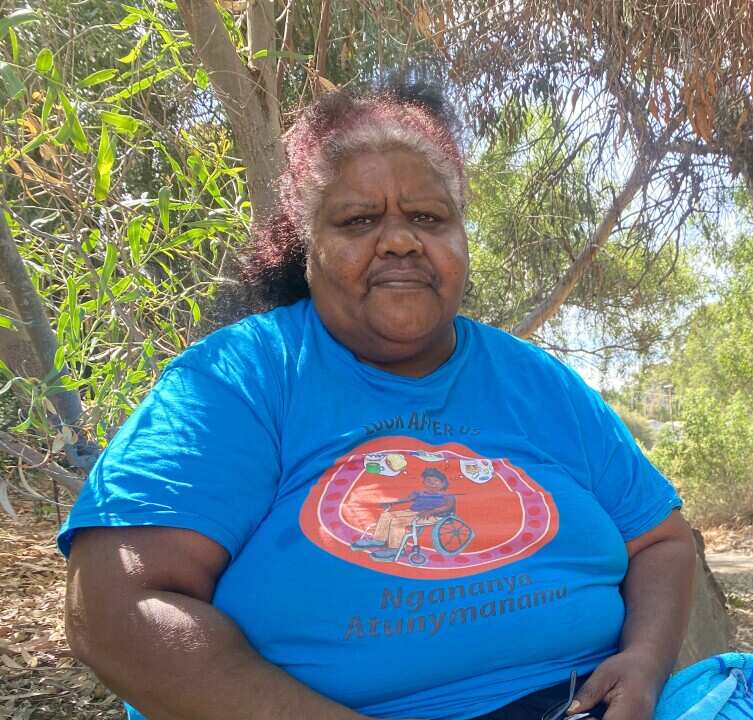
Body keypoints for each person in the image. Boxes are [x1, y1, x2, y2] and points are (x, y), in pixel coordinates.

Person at [60, 84, 696, 720]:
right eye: (359, 221)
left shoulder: (538, 382)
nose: (400, 241)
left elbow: (661, 541)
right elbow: (113, 609)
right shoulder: (239, 380)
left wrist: (645, 657)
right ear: (304, 249)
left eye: (428, 218)